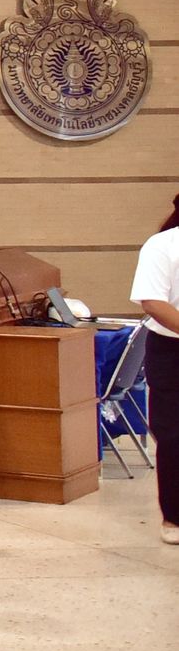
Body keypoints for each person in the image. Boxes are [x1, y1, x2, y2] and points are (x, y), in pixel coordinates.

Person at [132, 195, 179, 545]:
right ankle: (174, 517)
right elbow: (153, 301)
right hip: (172, 350)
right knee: (174, 433)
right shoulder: (162, 245)